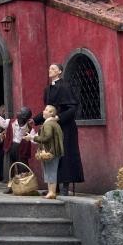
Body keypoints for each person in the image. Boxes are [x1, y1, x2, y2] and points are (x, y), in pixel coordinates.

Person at [35, 63, 84, 194]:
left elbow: (72, 108)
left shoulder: (65, 86)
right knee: (52, 155)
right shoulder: (48, 89)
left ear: (60, 72)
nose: (50, 70)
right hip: (51, 128)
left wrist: (58, 118)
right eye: (49, 68)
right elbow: (48, 110)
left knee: (65, 155)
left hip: (66, 128)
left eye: (53, 69)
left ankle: (65, 187)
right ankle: (53, 188)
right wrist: (33, 120)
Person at [33, 105, 64, 199]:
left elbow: (47, 137)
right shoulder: (53, 123)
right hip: (54, 151)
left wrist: (33, 138)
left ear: (51, 113)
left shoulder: (48, 124)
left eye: (46, 110)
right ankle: (51, 191)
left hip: (51, 152)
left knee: (51, 171)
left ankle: (52, 192)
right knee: (50, 171)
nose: (43, 111)